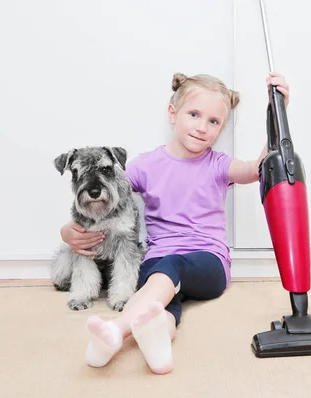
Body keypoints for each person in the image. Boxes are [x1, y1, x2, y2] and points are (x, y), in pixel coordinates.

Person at [59, 71, 290, 374]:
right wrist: (68, 232)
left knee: (172, 266)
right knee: (158, 308)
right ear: (173, 113)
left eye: (213, 121)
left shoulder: (217, 164)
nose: (202, 127)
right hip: (157, 264)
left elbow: (258, 170)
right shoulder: (145, 165)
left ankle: (115, 331)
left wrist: (278, 112)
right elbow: (102, 196)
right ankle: (158, 343)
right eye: (194, 114)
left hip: (208, 263)